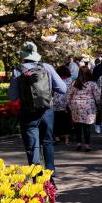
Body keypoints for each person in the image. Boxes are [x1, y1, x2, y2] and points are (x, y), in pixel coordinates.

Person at [8, 41, 66, 173]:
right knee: (48, 142)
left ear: (23, 55)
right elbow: (63, 89)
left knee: (32, 146)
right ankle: (50, 174)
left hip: (28, 113)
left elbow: (12, 96)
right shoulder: (47, 67)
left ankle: (37, 177)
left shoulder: (18, 70)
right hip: (47, 111)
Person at [66, 66, 100, 152]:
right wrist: (98, 104)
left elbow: (69, 95)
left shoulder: (74, 83)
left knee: (77, 125)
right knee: (87, 126)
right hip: (88, 106)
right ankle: (87, 145)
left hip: (75, 105)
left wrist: (69, 105)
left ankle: (78, 143)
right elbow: (97, 96)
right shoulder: (92, 84)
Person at [53, 65, 73, 145]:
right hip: (67, 103)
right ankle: (66, 139)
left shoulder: (55, 80)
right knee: (67, 121)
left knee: (56, 121)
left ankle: (57, 138)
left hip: (56, 103)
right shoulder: (70, 80)